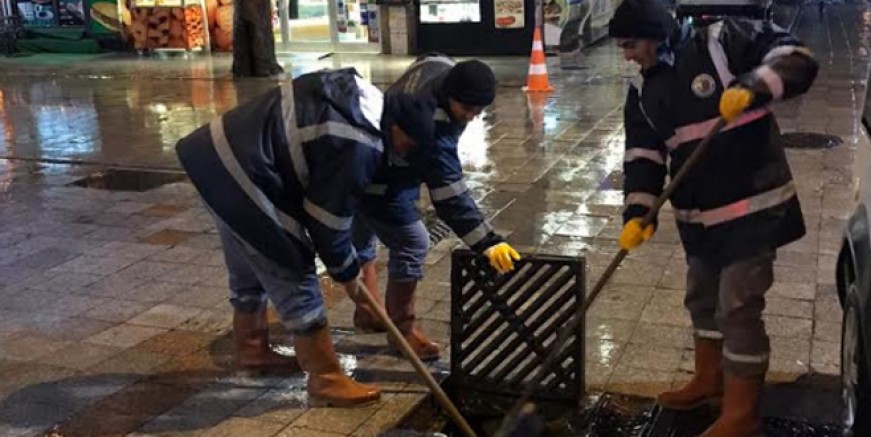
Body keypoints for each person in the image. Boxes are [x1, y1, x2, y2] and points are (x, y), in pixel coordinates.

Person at [608, 1, 818, 435]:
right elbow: (643, 156)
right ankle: (709, 380)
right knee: (702, 299)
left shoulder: (723, 42)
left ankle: (741, 413)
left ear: (656, 34)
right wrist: (637, 212)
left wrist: (756, 84)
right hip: (698, 217)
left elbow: (797, 58)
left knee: (737, 306)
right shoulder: (644, 89)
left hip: (751, 208)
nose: (626, 54)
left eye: (630, 44)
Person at [176, 68, 437, 407]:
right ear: (397, 129)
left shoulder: (365, 102)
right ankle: (326, 378)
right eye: (408, 145)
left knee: (250, 259)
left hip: (212, 154)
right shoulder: (361, 143)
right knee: (291, 262)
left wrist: (349, 269)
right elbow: (327, 222)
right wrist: (348, 273)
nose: (405, 153)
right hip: (243, 168)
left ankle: (252, 351)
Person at [350, 54, 521, 360]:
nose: (471, 117)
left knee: (363, 233)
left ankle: (368, 310)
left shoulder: (439, 67)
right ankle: (402, 332)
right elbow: (449, 194)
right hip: (384, 176)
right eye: (467, 109)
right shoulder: (432, 128)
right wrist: (487, 241)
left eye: (479, 111)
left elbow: (426, 57)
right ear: (450, 97)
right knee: (413, 242)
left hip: (362, 160)